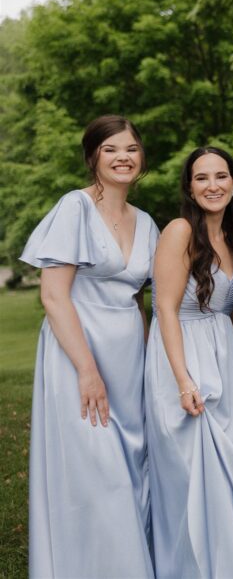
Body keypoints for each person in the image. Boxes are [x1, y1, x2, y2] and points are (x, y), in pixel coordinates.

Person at [20, 115, 158, 577]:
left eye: (131, 149)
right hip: (77, 355)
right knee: (96, 476)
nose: (123, 158)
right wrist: (87, 370)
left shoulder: (147, 223)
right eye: (111, 149)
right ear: (92, 157)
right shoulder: (74, 208)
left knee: (132, 471)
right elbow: (53, 296)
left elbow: (139, 301)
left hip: (129, 360)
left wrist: (149, 366)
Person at [146, 147, 233, 577]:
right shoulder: (179, 231)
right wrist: (183, 380)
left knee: (231, 468)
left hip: (224, 356)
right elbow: (165, 308)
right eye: (201, 178)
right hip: (182, 356)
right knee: (191, 474)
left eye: (220, 176)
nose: (212, 185)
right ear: (190, 188)